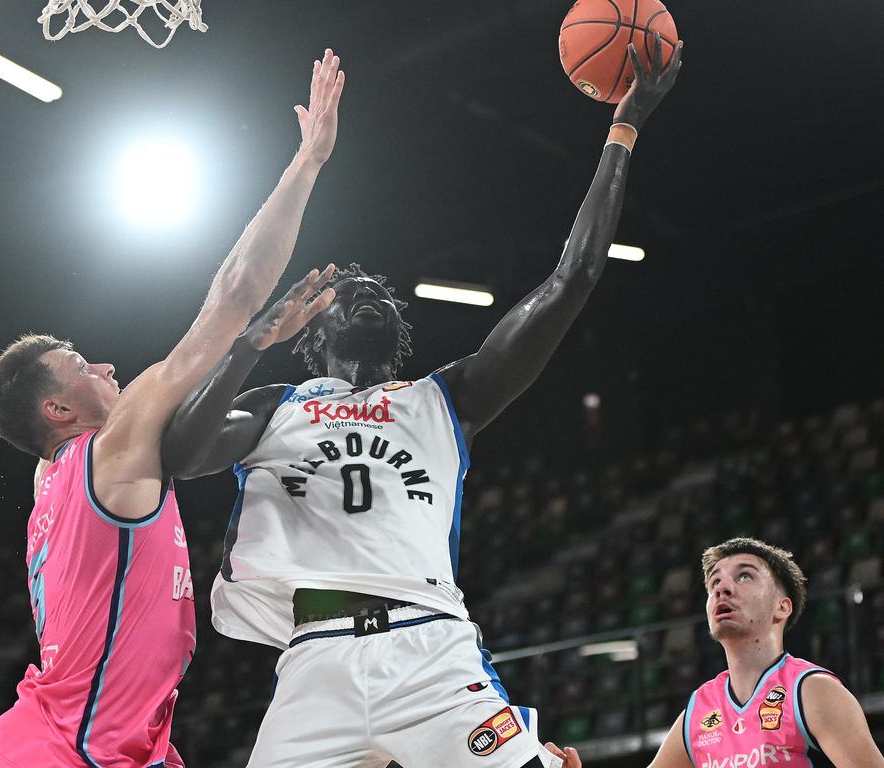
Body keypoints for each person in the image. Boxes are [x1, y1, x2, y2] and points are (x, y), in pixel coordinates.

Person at [163, 37, 683, 768]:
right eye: (350, 292)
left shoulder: (448, 398)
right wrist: (251, 339)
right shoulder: (271, 403)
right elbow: (181, 456)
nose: (368, 294)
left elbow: (573, 278)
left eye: (381, 294)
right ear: (314, 326)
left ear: (401, 330)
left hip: (431, 654)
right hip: (315, 665)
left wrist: (623, 128)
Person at [0, 49, 346, 768]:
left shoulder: (53, 478)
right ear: (57, 408)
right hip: (73, 753)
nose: (107, 366)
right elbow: (234, 295)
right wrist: (308, 163)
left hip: (105, 742)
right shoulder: (108, 451)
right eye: (82, 365)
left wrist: (251, 354)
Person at [644, 537, 884, 768]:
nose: (722, 589)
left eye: (744, 576)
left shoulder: (813, 691)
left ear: (782, 607)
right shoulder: (699, 710)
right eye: (714, 582)